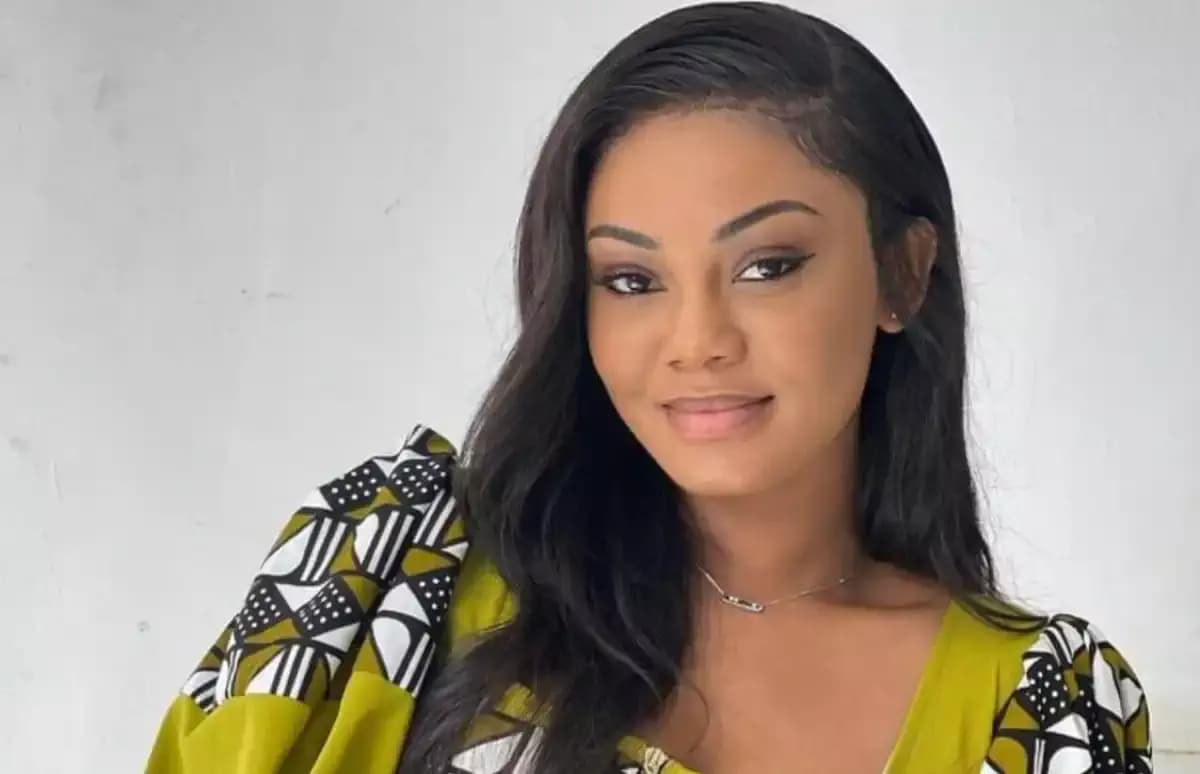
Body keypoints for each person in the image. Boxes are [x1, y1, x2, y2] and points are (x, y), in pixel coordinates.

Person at [145, 3, 1153, 772]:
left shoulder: (1044, 711)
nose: (697, 341)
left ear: (902, 274)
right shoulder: (392, 574)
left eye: (768, 265)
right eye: (632, 280)